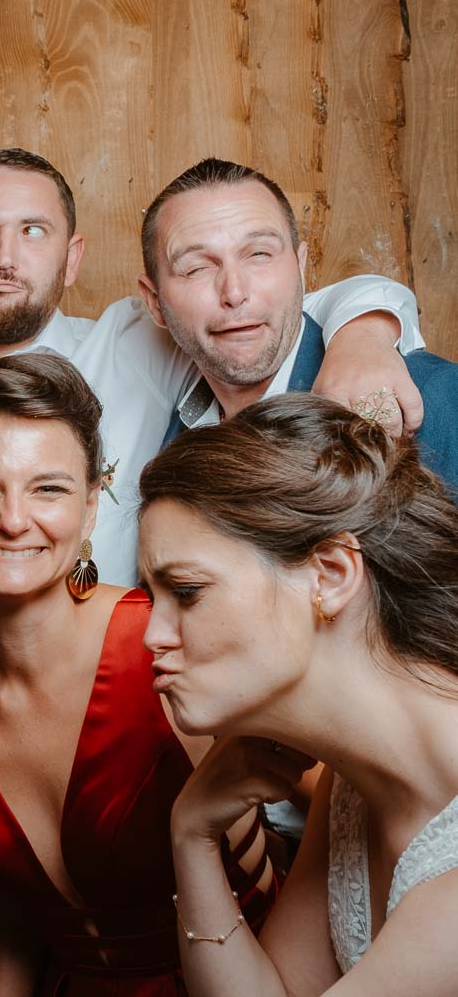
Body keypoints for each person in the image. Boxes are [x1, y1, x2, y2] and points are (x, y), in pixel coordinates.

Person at [0, 353, 275, 995]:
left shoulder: (166, 644)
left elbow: (345, 811)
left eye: (48, 488)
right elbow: (12, 895)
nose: (14, 520)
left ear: (93, 505)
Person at [0, 148, 427, 585]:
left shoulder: (129, 342)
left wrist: (366, 334)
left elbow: (278, 309)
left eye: (33, 231)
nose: (4, 259)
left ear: (72, 259)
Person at [137, 393, 458, 994]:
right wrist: (192, 836)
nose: (152, 635)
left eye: (186, 591)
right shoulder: (354, 782)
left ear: (331, 575)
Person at [141, 157, 458, 490]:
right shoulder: (171, 436)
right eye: (195, 268)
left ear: (300, 267)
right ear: (154, 302)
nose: (234, 292)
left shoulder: (437, 398)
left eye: (259, 254)